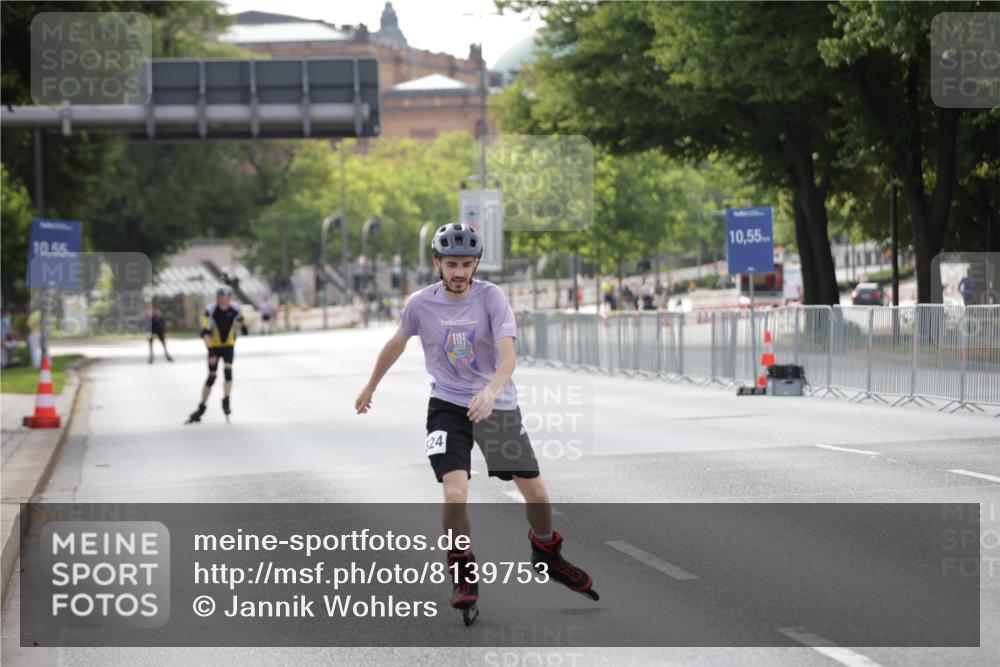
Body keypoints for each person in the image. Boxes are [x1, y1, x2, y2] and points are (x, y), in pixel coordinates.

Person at [354, 222, 597, 622]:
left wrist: (489, 392)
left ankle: (546, 552)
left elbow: (508, 357)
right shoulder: (420, 304)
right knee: (454, 494)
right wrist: (370, 387)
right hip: (447, 406)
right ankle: (463, 571)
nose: (459, 272)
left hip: (495, 404)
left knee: (535, 494)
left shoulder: (491, 298)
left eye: (467, 264)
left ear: (476, 264)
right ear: (437, 263)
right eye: (451, 264)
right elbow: (397, 342)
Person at [186, 286, 247, 424]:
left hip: (228, 345)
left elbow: (240, 318)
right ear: (218, 298)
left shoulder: (235, 307)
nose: (224, 300)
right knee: (212, 377)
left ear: (230, 298)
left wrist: (243, 327)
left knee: (228, 371)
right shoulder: (211, 310)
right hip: (214, 346)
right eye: (222, 298)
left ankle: (226, 399)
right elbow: (204, 333)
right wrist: (211, 352)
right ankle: (202, 406)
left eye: (227, 298)